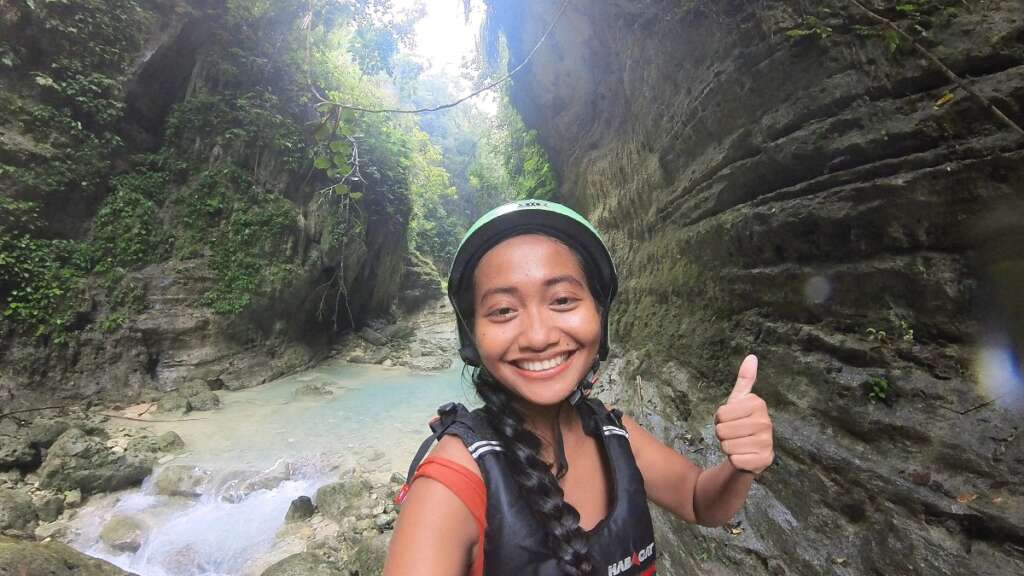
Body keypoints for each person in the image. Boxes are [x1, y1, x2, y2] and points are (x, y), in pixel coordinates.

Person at [383, 200, 774, 576]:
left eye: (563, 300)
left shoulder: (616, 435)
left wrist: (739, 467)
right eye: (503, 310)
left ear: (599, 316)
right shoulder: (449, 487)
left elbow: (699, 501)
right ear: (473, 336)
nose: (538, 337)